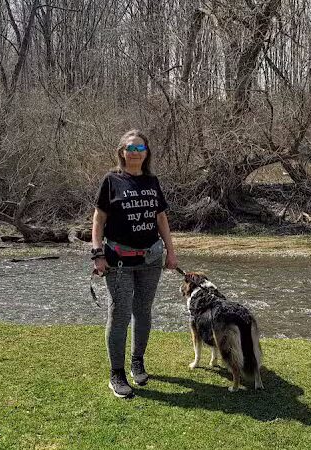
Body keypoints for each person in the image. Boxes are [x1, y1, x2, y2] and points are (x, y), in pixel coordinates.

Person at [91, 129, 178, 399]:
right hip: (118, 261)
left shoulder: (152, 181)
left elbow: (161, 218)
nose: (135, 153)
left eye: (140, 149)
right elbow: (98, 219)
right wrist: (97, 253)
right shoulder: (111, 180)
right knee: (119, 315)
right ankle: (116, 374)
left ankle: (137, 361)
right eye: (131, 148)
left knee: (143, 312)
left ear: (146, 153)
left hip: (151, 259)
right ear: (122, 152)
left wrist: (171, 252)